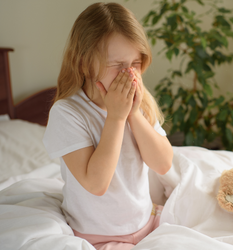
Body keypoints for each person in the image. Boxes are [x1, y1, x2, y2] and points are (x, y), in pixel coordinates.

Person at [43, 2, 173, 249]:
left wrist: (133, 114)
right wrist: (115, 117)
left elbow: (163, 163)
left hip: (148, 223)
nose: (129, 75)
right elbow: (96, 184)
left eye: (135, 64)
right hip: (97, 236)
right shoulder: (68, 113)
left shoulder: (140, 101)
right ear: (84, 64)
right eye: (117, 65)